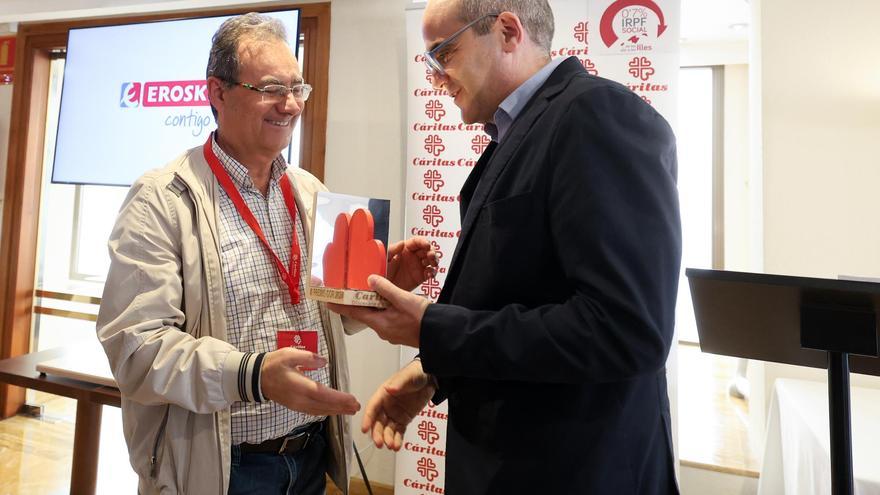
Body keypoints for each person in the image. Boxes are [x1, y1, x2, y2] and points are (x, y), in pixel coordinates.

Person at [329, 0, 682, 493]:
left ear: (509, 31)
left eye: (443, 54)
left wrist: (435, 329)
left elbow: (625, 329)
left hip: (574, 472)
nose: (435, 77)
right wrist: (432, 372)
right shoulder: (515, 136)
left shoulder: (595, 114)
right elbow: (521, 297)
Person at [97, 13, 436, 495]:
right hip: (223, 467)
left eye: (299, 87)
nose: (291, 104)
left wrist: (380, 288)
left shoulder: (307, 190)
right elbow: (136, 349)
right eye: (272, 87)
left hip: (310, 453)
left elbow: (331, 313)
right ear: (216, 92)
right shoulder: (163, 199)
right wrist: (253, 376)